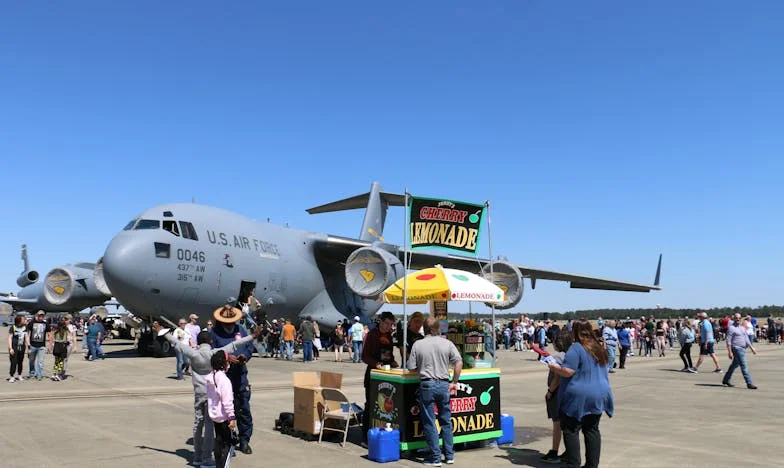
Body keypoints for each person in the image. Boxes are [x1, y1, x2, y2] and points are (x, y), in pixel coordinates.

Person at [162, 324, 261, 468]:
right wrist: (252, 336)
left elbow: (176, 343)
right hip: (209, 396)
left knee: (197, 425)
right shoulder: (215, 353)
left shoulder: (193, 353)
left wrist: (162, 332)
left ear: (199, 341)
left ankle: (197, 457)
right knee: (208, 428)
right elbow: (234, 344)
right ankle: (206, 459)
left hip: (198, 395)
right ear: (210, 342)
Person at [548, 319, 614, 468]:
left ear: (574, 332)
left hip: (579, 396)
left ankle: (573, 464)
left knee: (571, 429)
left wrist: (553, 367)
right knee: (592, 430)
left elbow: (567, 371)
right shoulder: (598, 347)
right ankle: (592, 465)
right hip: (600, 393)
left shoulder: (576, 348)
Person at [407, 316, 462, 466]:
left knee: (430, 422)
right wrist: (454, 382)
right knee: (446, 421)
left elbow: (411, 366)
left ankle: (435, 457)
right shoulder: (447, 343)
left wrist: (421, 367)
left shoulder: (418, 344)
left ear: (424, 328)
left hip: (427, 385)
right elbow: (458, 362)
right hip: (444, 384)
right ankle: (449, 455)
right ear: (438, 328)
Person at [210, 299, 255, 454]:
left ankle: (244, 440)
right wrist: (226, 358)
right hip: (224, 378)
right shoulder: (214, 334)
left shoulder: (241, 330)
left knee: (243, 409)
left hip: (240, 376)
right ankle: (227, 441)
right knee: (224, 411)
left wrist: (245, 357)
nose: (230, 324)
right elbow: (211, 353)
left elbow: (249, 347)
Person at [361, 311, 398, 446]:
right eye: (387, 323)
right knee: (370, 405)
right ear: (381, 322)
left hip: (386, 374)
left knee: (384, 407)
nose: (389, 326)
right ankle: (366, 438)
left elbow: (388, 354)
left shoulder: (389, 335)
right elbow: (364, 356)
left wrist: (393, 361)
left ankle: (382, 433)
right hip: (373, 374)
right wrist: (376, 364)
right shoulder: (372, 335)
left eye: (391, 324)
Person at [541, 332, 573, 464]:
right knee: (568, 424)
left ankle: (554, 451)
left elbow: (557, 377)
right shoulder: (571, 356)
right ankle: (570, 450)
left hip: (557, 394)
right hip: (569, 394)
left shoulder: (557, 358)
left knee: (557, 423)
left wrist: (550, 391)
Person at [207, 350, 236, 468]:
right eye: (228, 361)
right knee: (227, 445)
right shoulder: (224, 380)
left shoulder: (211, 377)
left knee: (218, 442)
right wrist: (232, 417)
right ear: (223, 363)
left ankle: (218, 465)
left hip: (215, 415)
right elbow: (227, 401)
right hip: (224, 417)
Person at [722, 314, 758, 389]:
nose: (738, 319)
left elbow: (746, 338)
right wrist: (729, 352)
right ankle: (749, 383)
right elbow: (728, 341)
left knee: (734, 365)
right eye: (736, 318)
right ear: (733, 319)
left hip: (743, 348)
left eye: (739, 318)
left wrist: (752, 348)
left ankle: (726, 380)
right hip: (737, 349)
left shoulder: (742, 328)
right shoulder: (731, 328)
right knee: (744, 366)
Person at [26, 310, 48, 380]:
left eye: (42, 315)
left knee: (40, 362)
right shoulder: (31, 323)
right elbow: (27, 333)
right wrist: (28, 345)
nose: (41, 316)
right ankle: (32, 373)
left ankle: (39, 375)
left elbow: (49, 334)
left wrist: (50, 345)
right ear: (37, 315)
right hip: (32, 345)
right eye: (39, 315)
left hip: (42, 346)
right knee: (31, 361)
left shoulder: (46, 324)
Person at [7, 314, 27, 382]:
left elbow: (26, 337)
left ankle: (19, 375)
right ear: (19, 320)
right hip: (14, 347)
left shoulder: (25, 327)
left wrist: (29, 346)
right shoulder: (13, 327)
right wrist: (10, 348)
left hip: (22, 347)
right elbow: (10, 338)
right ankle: (11, 376)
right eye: (23, 319)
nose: (25, 320)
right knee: (14, 362)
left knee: (20, 362)